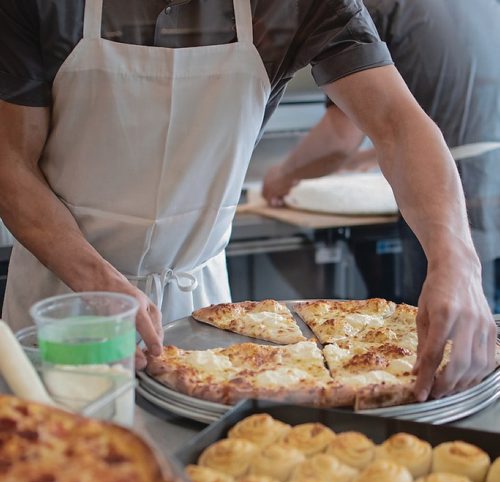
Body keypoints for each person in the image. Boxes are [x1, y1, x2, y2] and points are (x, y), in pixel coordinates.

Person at [0, 0, 496, 400]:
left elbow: (397, 123)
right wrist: (98, 282)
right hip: (61, 306)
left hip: (208, 325)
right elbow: (9, 163)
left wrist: (456, 259)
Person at [263, 0, 500, 311]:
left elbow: (339, 138)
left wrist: (284, 175)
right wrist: (368, 159)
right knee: (486, 325)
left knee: (445, 329)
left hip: (453, 190)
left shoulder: (374, 7)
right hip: (490, 178)